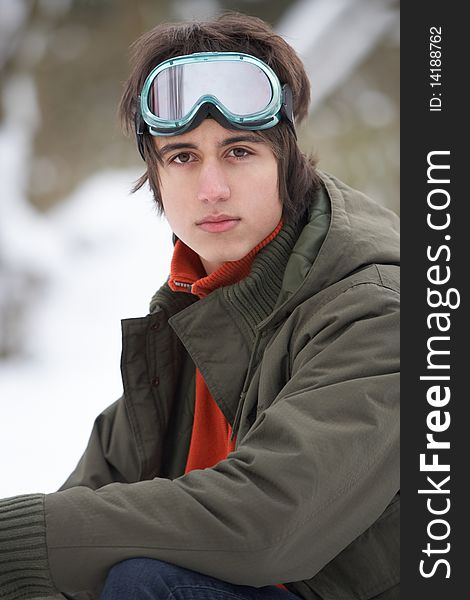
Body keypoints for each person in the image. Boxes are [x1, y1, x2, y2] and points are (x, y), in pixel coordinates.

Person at [0, 12, 399, 600]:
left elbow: (265, 526)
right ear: (155, 177)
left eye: (238, 152)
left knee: (144, 582)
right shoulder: (189, 321)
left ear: (286, 160)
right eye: (182, 157)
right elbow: (84, 515)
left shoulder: (380, 314)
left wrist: (17, 542)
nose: (211, 188)